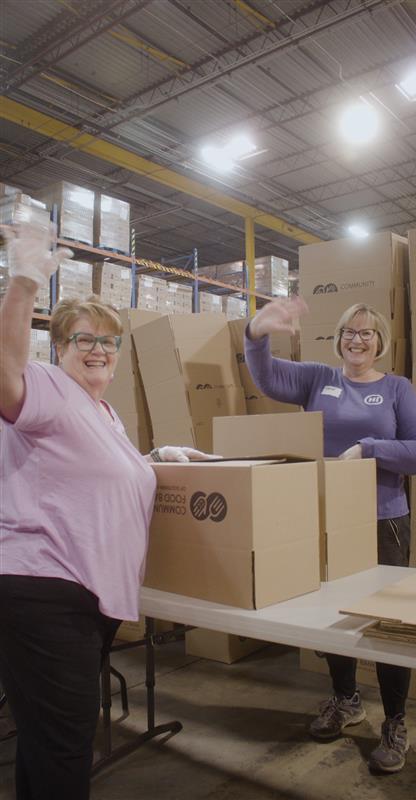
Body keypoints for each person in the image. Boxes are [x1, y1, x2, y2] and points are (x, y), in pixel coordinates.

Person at [0, 220, 216, 800]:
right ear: (60, 347)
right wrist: (22, 282)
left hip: (82, 597)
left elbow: (93, 474)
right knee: (67, 747)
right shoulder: (44, 385)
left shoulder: (103, 412)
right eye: (83, 339)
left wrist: (153, 456)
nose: (98, 350)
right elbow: (4, 376)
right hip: (47, 591)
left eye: (108, 341)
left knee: (50, 742)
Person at [245, 296, 416, 774]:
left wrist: (369, 449)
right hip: (323, 518)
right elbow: (267, 377)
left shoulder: (397, 388)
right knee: (331, 616)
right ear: (338, 339)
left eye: (367, 332)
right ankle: (346, 699)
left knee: (389, 623)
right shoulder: (318, 378)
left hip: (382, 519)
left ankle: (395, 720)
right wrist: (256, 333)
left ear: (380, 342)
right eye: (350, 332)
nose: (357, 339)